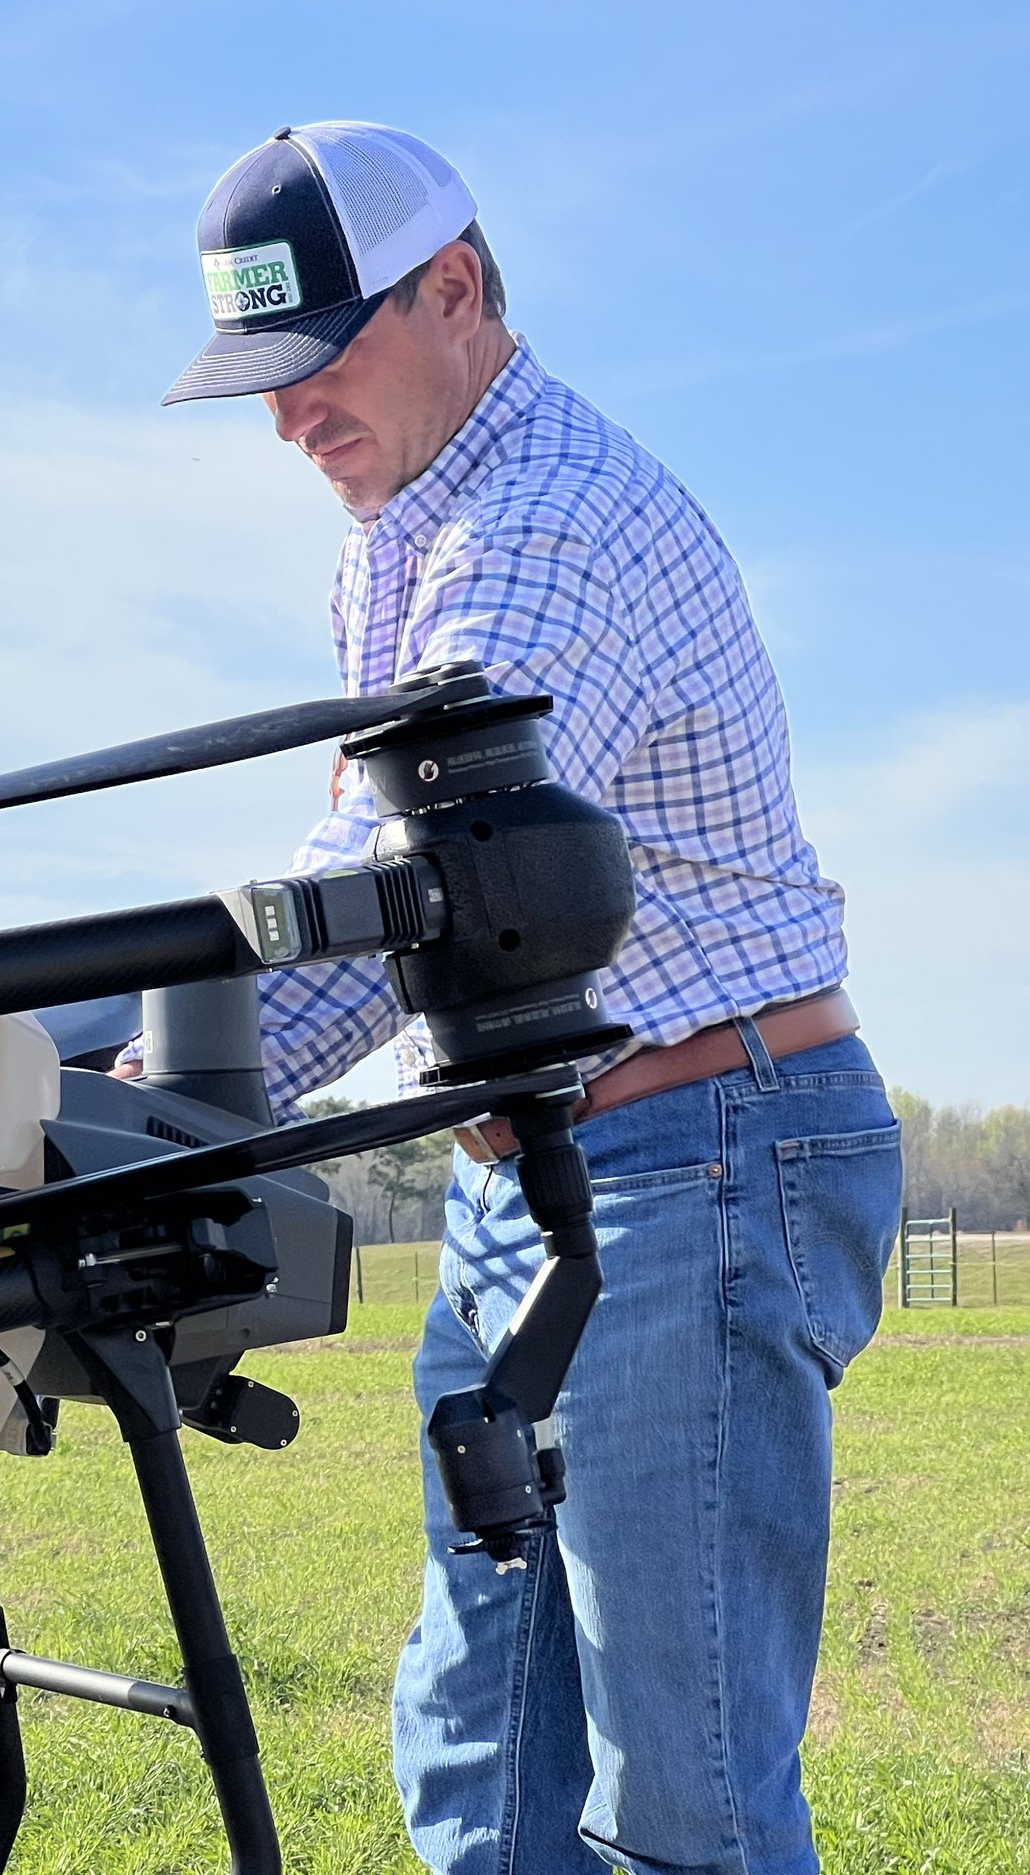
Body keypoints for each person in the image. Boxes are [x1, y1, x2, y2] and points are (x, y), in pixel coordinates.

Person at [133, 122, 902, 1875]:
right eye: (259, 378)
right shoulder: (406, 528)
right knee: (482, 1763)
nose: (286, 418)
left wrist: (148, 1095)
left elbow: (430, 894)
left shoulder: (547, 524)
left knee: (682, 1801)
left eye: (317, 359)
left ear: (458, 291)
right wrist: (142, 1077)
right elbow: (378, 881)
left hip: (698, 1150)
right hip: (537, 1170)